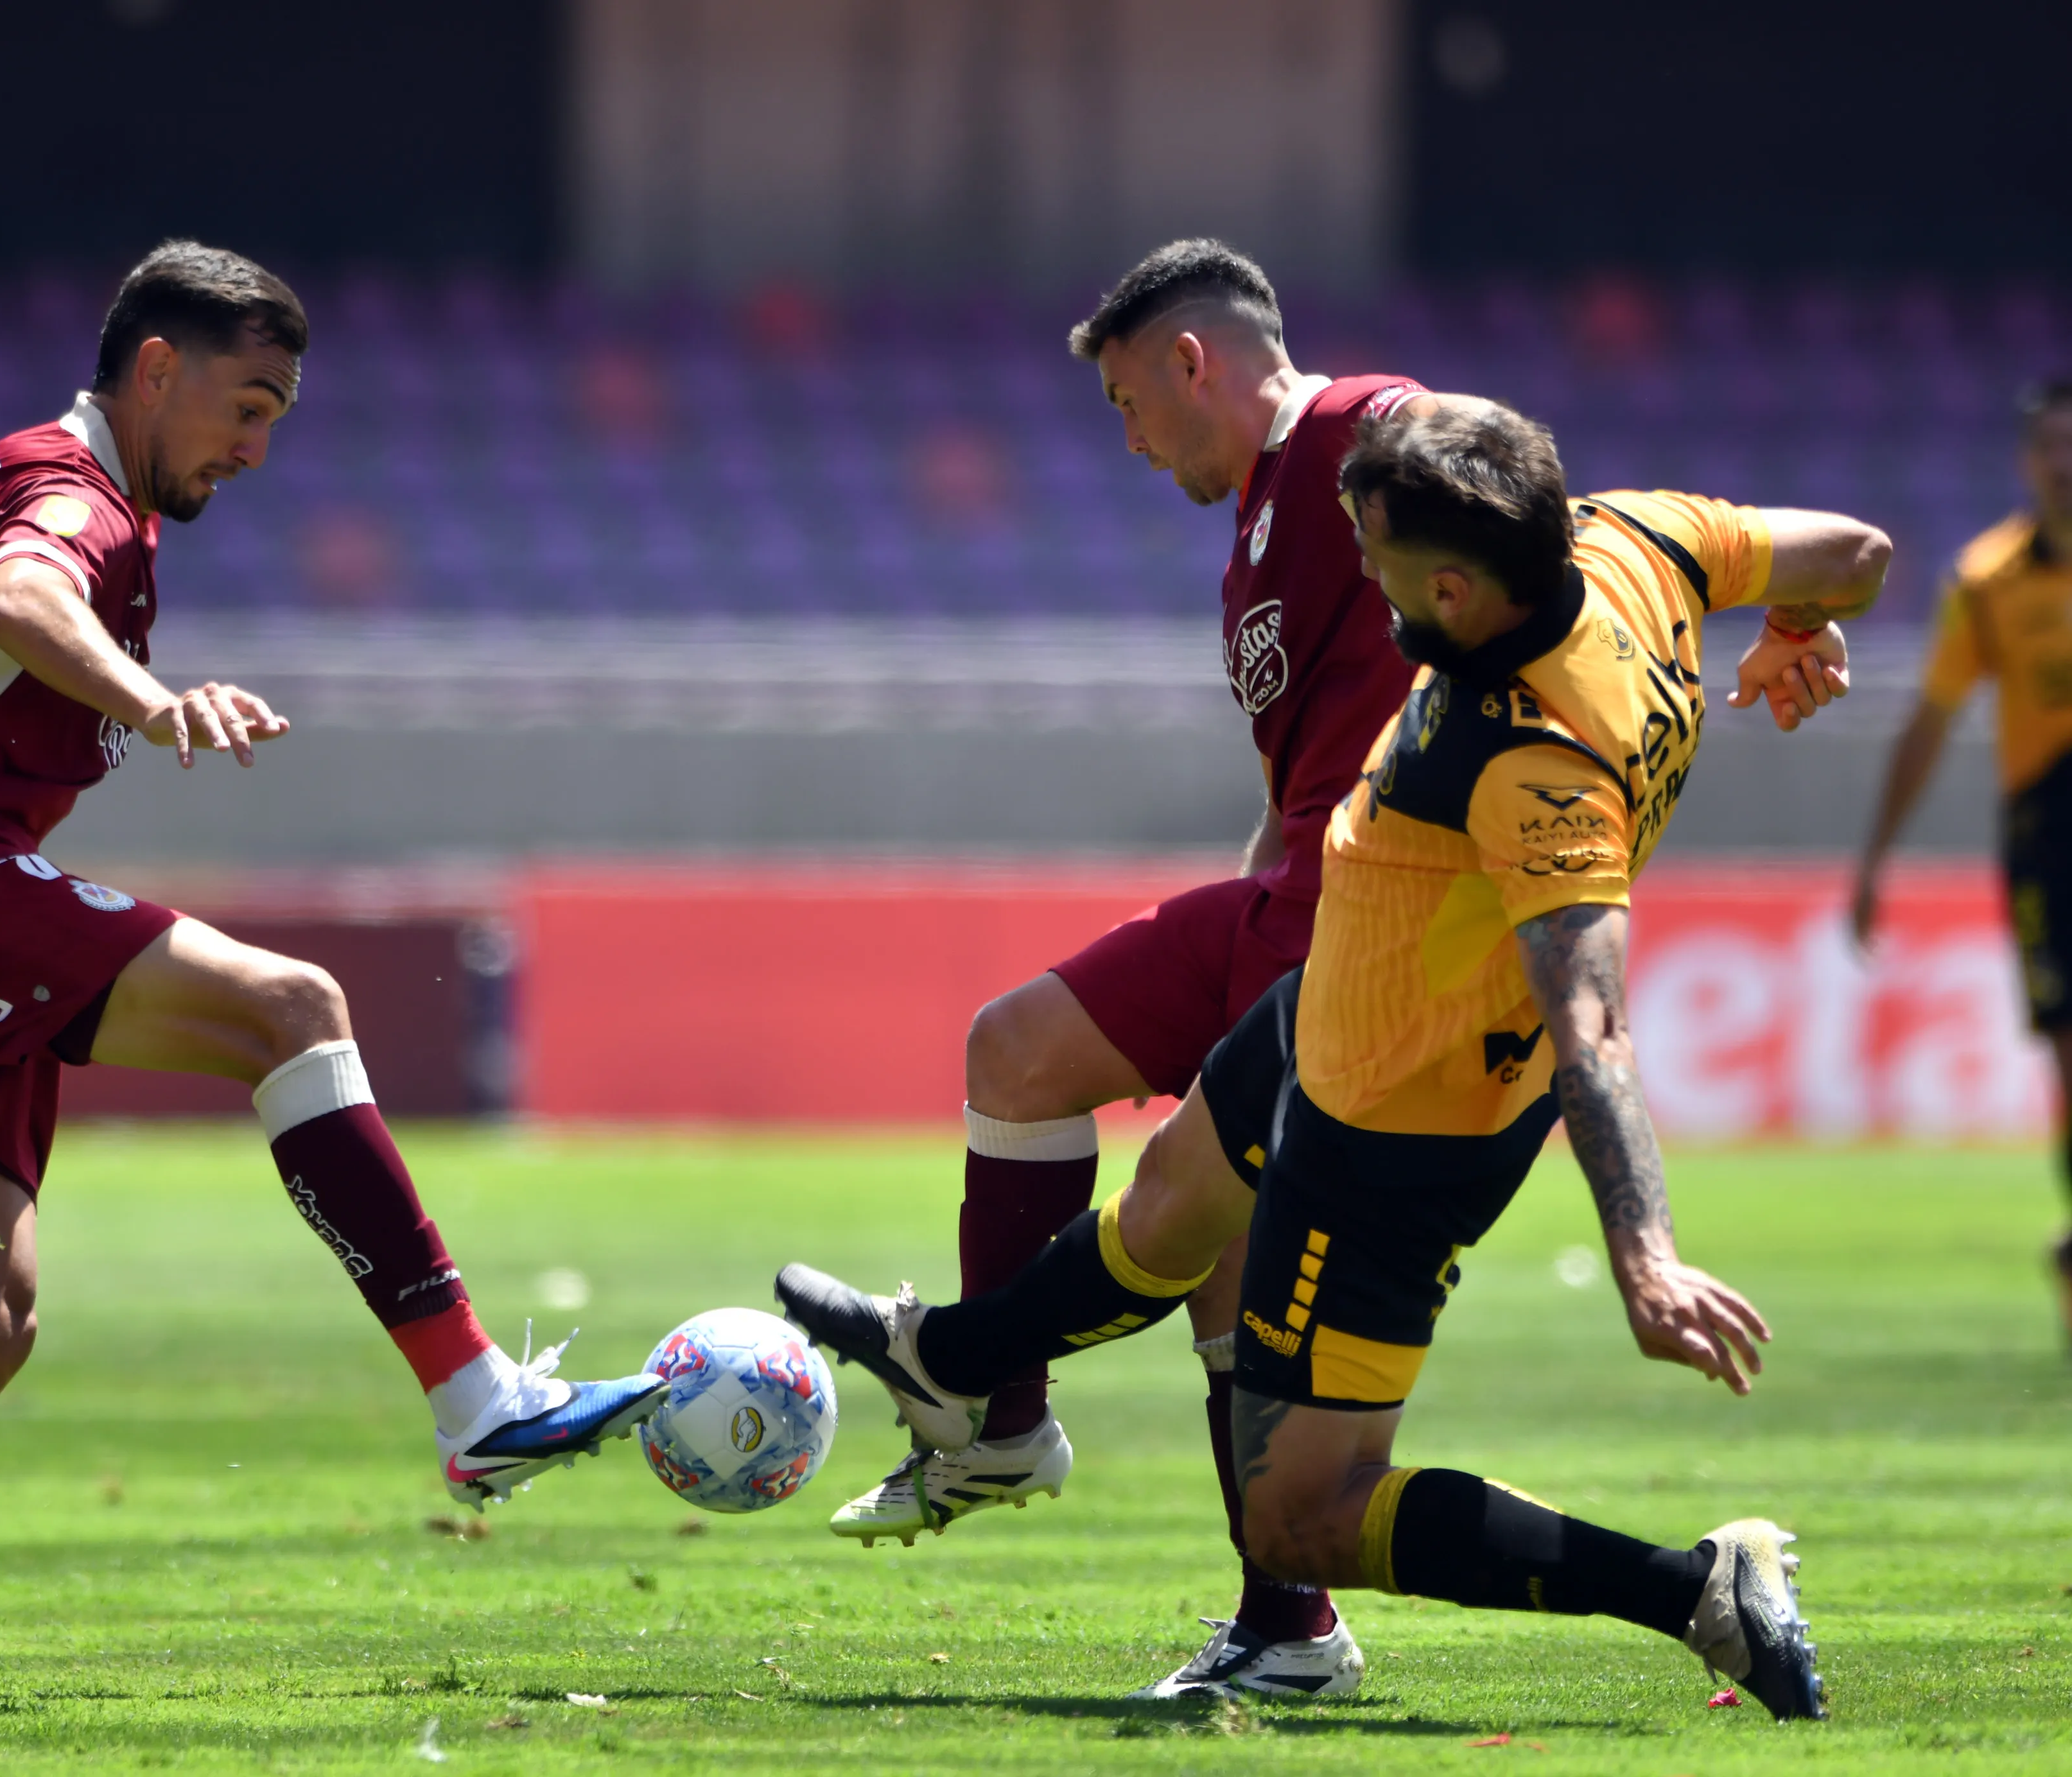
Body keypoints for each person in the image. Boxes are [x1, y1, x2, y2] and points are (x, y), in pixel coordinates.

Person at [0, 241, 665, 1699]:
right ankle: (476, 1393)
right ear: (159, 370)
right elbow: (20, 599)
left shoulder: (28, 456)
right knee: (291, 1012)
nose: (256, 450)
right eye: (246, 409)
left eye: (277, 422)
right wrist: (150, 697)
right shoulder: (85, 504)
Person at [782, 399, 1883, 1716]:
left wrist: (1642, 1254)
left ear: (1462, 588)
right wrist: (1803, 625)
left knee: (1300, 1521)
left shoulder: (1542, 763)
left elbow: (1592, 1026)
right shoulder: (1633, 539)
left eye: (1382, 560)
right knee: (1170, 1208)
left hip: (1400, 1125)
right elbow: (1859, 552)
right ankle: (955, 1359)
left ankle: (1702, 1587)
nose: (1365, 572)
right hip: (1333, 1007)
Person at [821, 237, 1429, 1697]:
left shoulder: (1366, 429)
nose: (1133, 439)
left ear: (1190, 361)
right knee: (1016, 1051)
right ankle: (1002, 1423)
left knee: (1228, 1256)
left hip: (1366, 922)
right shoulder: (1264, 530)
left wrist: (1764, 605)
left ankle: (1292, 1632)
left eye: (1125, 404)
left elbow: (1535, 504)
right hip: (1273, 895)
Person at [1852, 377, 2072, 1339]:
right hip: (2050, 839)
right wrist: (1875, 862)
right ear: (2028, 460)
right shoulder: (1988, 580)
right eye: (2050, 447)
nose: (2064, 465)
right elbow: (1930, 720)